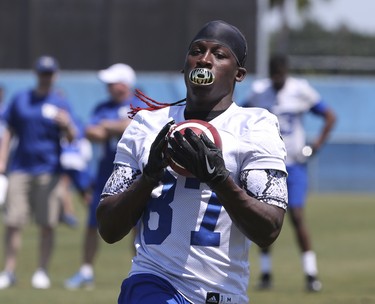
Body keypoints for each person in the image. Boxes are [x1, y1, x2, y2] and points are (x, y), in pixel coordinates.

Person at [96, 20, 288, 304]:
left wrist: (219, 179)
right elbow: (109, 229)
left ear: (239, 74)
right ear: (184, 65)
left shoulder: (255, 126)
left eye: (219, 54)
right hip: (154, 281)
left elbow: (268, 229)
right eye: (197, 51)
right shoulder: (148, 125)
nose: (205, 59)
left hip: (224, 293)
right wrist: (148, 177)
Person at [243, 54, 336, 292]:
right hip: (266, 163)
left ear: (286, 73)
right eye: (274, 76)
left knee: (296, 215)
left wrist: (315, 145)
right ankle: (265, 273)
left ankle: (311, 274)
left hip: (293, 164)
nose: (277, 80)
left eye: (280, 76)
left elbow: (329, 116)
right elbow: (239, 115)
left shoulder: (300, 90)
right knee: (263, 217)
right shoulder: (259, 91)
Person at [0, 55, 77, 289]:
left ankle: (41, 271)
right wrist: (2, 160)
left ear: (55, 76)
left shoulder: (60, 102)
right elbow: (9, 131)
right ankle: (9, 271)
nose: (45, 78)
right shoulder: (21, 99)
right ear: (37, 75)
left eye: (49, 74)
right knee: (13, 221)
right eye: (42, 73)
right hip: (20, 168)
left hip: (49, 170)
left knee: (47, 223)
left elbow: (73, 137)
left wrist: (67, 125)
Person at [64, 63, 143, 289]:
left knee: (138, 227)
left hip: (137, 178)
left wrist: (109, 126)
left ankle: (139, 271)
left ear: (124, 84)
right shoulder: (103, 107)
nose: (108, 87)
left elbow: (134, 126)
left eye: (112, 82)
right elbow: (90, 131)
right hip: (105, 176)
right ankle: (86, 271)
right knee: (93, 223)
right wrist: (115, 126)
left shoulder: (140, 104)